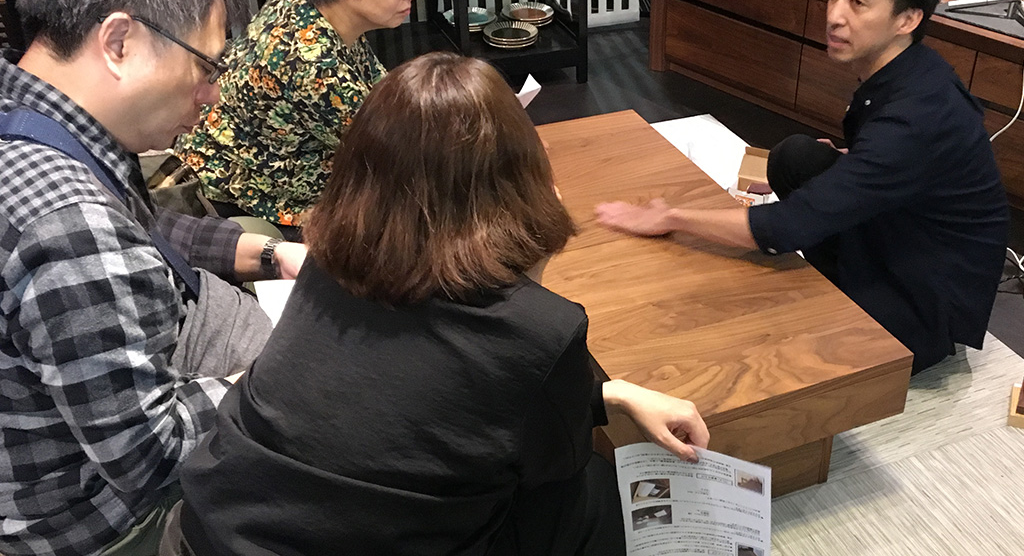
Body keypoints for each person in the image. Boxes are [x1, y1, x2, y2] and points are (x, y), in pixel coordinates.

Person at [160, 52, 710, 556]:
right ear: (522, 177)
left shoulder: (329, 260)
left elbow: (424, 395)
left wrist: (610, 394)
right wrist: (533, 256)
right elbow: (543, 456)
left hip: (212, 527)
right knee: (586, 487)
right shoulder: (542, 327)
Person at [0, 0, 307, 556]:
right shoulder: (68, 228)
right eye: (206, 66)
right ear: (120, 41)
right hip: (102, 519)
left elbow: (145, 231)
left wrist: (273, 253)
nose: (211, 95)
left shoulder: (5, 104)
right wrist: (291, 371)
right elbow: (151, 457)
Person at [597, 0, 1009, 374]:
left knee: (784, 338)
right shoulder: (911, 69)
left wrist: (670, 216)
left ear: (907, 18)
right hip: (901, 232)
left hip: (924, 295)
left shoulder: (917, 116)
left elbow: (786, 227)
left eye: (858, 2)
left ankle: (883, 324)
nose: (835, 14)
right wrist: (859, 166)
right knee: (797, 156)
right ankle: (838, 274)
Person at [175, 0, 433, 238]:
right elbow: (402, 152)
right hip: (248, 197)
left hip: (252, 160)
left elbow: (380, 92)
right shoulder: (313, 66)